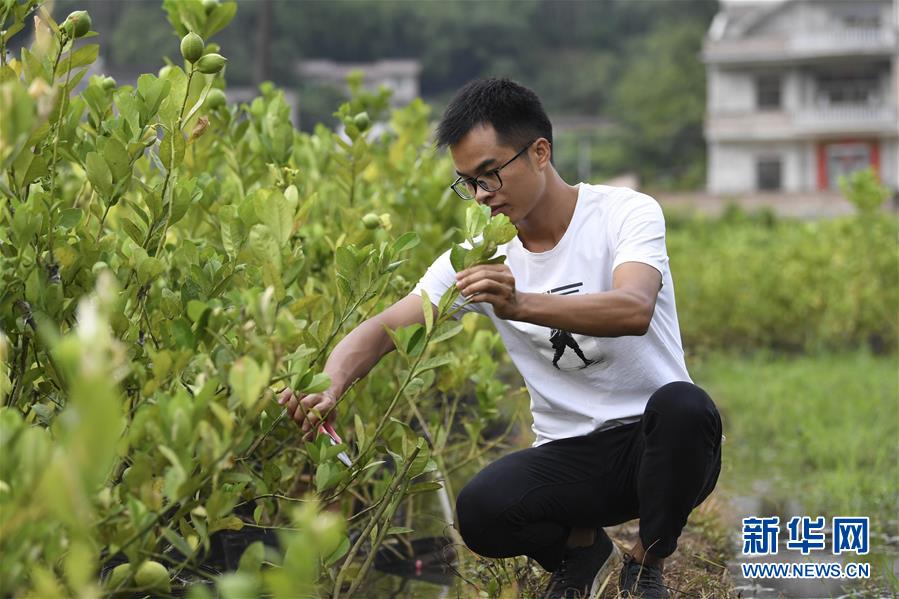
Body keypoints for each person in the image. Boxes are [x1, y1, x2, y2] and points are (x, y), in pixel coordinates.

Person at [278, 78, 723, 599]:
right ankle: (583, 552)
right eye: (468, 182)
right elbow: (384, 328)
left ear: (539, 152)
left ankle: (647, 562)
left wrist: (520, 304)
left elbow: (634, 307)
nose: (482, 195)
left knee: (685, 407)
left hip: (658, 445)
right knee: (481, 511)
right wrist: (329, 386)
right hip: (572, 457)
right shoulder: (480, 255)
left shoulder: (626, 213)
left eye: (490, 174)